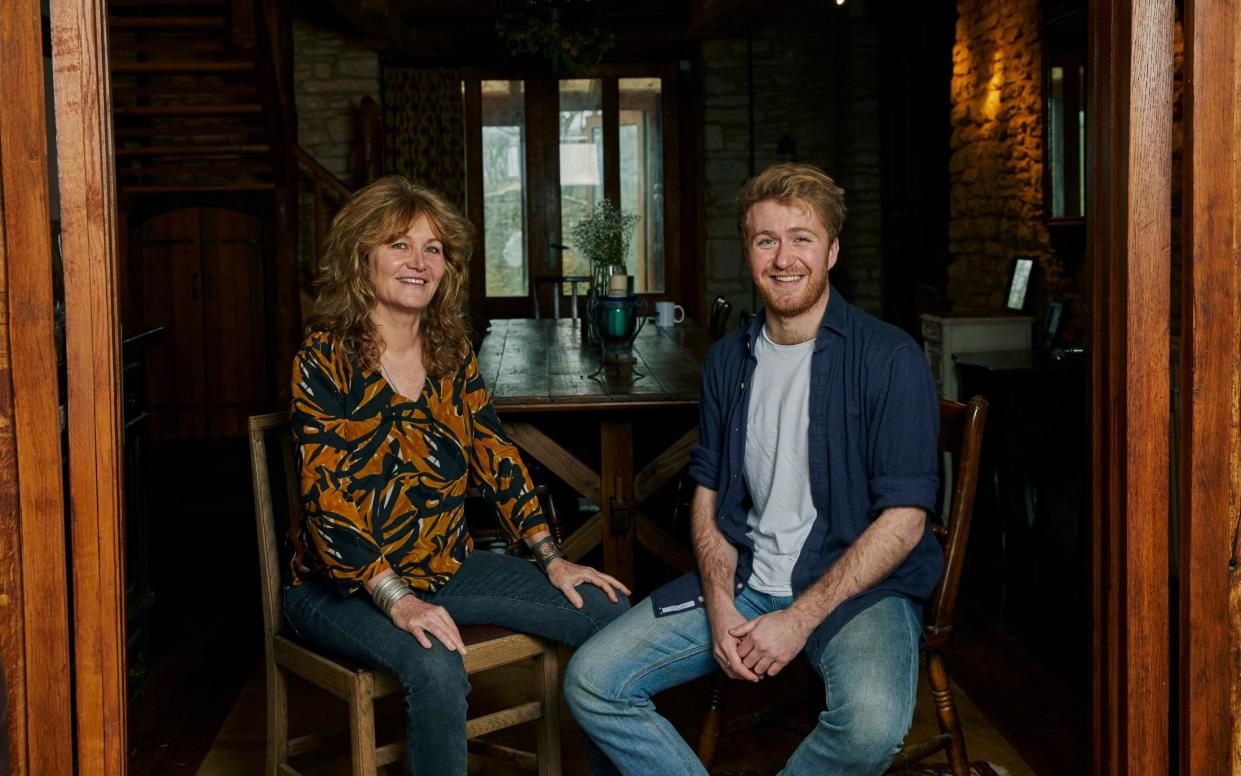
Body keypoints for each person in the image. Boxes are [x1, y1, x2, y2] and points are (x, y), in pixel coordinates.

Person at [564, 163, 943, 775]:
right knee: (592, 681)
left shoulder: (889, 358)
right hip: (745, 583)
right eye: (767, 240)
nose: (783, 257)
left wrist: (796, 620)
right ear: (748, 252)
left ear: (832, 251)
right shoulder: (727, 361)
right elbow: (707, 494)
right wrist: (719, 603)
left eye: (802, 238)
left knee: (871, 726)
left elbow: (903, 522)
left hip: (858, 587)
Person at [283, 175, 631, 775]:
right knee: (437, 662)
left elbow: (498, 457)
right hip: (335, 589)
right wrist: (398, 601)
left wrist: (552, 556)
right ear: (360, 258)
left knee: (611, 613)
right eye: (399, 244)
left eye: (434, 248)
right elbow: (328, 501)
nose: (419, 261)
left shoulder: (450, 354)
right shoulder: (323, 360)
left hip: (443, 567)